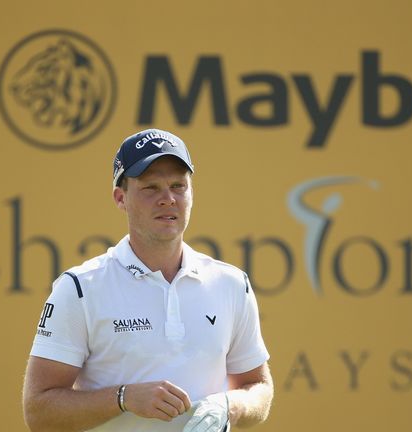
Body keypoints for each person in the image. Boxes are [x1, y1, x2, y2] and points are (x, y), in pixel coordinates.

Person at [22, 128, 273, 432]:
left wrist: (230, 407)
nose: (168, 199)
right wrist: (123, 398)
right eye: (151, 188)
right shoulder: (79, 288)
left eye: (178, 186)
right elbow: (39, 410)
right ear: (121, 198)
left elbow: (257, 386)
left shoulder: (231, 284)